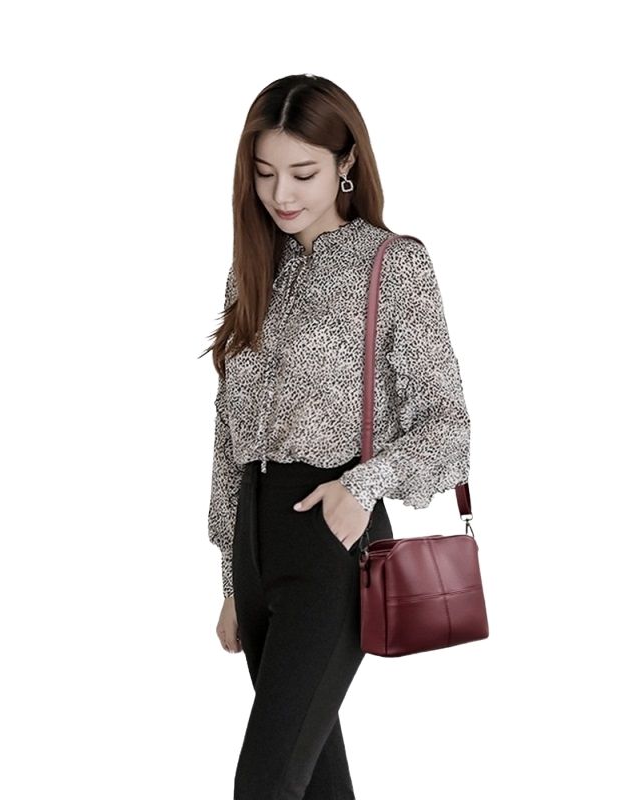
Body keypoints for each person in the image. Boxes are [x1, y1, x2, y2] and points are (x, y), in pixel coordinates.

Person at [201, 73, 471, 800]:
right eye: (264, 173)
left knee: (265, 782)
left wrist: (362, 485)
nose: (280, 193)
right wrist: (231, 579)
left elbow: (448, 428)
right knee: (312, 782)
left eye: (303, 172)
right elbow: (229, 432)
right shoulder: (253, 270)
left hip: (332, 538)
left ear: (346, 161)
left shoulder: (393, 264)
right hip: (255, 540)